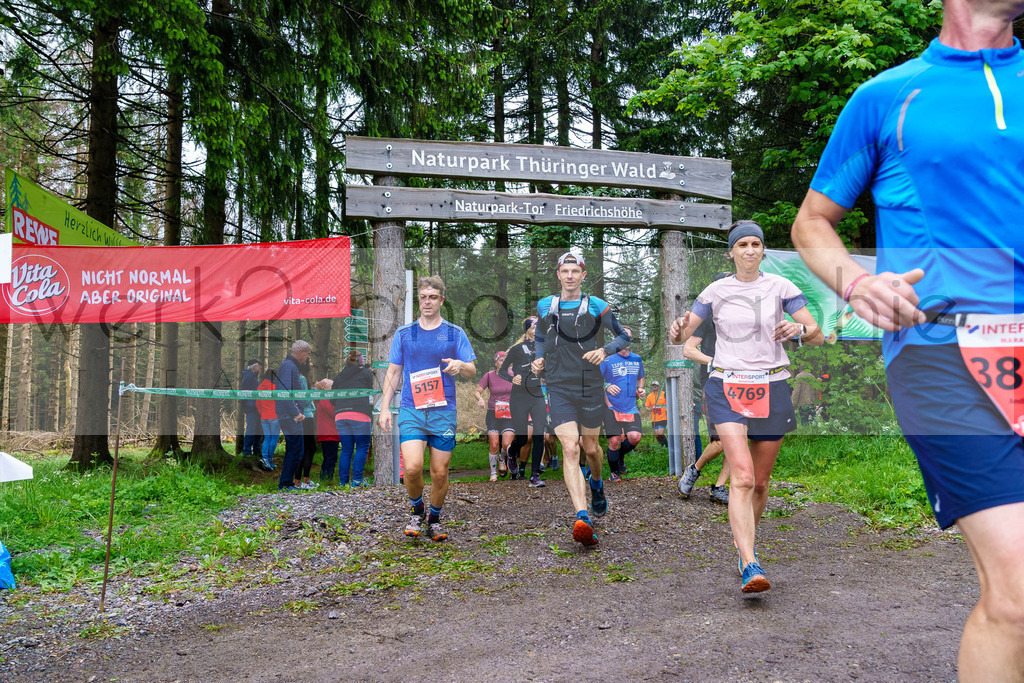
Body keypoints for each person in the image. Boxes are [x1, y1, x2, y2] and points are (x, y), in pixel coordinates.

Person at [791, 1, 1024, 673]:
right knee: (1016, 589)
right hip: (942, 353)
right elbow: (811, 222)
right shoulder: (886, 97)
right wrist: (858, 284)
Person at [671, 221, 823, 594]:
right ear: (731, 252)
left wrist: (799, 330)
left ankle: (744, 551)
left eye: (756, 243)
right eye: (743, 245)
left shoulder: (781, 287)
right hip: (726, 385)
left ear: (763, 250)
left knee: (760, 482)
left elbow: (817, 334)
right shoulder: (715, 291)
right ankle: (750, 560)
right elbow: (682, 334)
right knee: (741, 476)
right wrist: (677, 330)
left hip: (771, 384)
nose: (750, 250)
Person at [534, 251, 631, 547]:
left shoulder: (596, 305)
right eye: (565, 271)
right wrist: (539, 358)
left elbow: (624, 336)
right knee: (569, 447)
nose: (570, 276)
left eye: (575, 271)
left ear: (583, 275)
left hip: (589, 384)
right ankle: (582, 516)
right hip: (558, 385)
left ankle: (597, 484)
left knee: (591, 449)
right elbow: (541, 337)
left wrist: (604, 351)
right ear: (558, 274)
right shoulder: (546, 305)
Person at [379, 275, 476, 542]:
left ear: (442, 300)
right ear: (418, 300)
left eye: (433, 297)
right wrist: (384, 408)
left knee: (439, 472)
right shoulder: (404, 333)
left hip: (443, 411)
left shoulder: (454, 333)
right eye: (423, 297)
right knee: (411, 468)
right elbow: (393, 372)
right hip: (412, 409)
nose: (427, 302)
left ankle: (434, 518)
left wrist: (460, 365)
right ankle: (416, 510)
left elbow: (471, 370)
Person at [679, 272, 732, 506]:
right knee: (720, 441)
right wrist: (715, 362)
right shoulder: (707, 318)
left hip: (742, 384)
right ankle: (694, 470)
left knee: (738, 439)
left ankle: (719, 487)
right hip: (715, 383)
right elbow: (688, 349)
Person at [500, 316, 548, 487]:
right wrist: (512, 378)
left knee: (539, 435)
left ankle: (534, 476)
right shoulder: (516, 349)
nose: (536, 331)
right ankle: (512, 452)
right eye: (533, 327)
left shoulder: (544, 349)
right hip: (519, 397)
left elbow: (549, 372)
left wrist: (543, 371)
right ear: (526, 330)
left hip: (537, 395)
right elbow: (502, 371)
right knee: (522, 438)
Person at [600, 327, 645, 483]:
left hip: (630, 407)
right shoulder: (607, 360)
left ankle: (619, 456)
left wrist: (641, 388)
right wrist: (607, 386)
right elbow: (596, 380)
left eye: (629, 337)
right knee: (614, 441)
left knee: (635, 437)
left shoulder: (636, 359)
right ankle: (614, 472)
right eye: (623, 336)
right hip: (611, 406)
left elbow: (641, 377)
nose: (626, 339)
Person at [332, 350, 374, 487]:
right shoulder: (366, 373)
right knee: (362, 447)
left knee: (346, 449)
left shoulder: (339, 376)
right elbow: (371, 391)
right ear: (361, 360)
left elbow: (332, 398)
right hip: (360, 413)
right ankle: (356, 481)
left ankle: (343, 482)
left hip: (340, 415)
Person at [275, 341, 311, 492]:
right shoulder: (288, 366)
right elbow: (284, 392)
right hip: (290, 415)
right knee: (295, 449)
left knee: (296, 449)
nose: (308, 358)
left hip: (291, 414)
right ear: (301, 352)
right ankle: (285, 484)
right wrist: (296, 413)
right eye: (308, 354)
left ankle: (286, 483)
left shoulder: (290, 366)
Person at [476, 351, 516, 481]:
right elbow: (477, 391)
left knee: (507, 444)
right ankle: (493, 473)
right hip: (493, 413)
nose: (504, 363)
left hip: (509, 413)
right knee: (494, 444)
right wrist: (480, 399)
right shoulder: (489, 375)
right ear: (496, 362)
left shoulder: (514, 375)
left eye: (506, 360)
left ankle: (502, 458)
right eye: (501, 360)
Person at [294, 357, 318, 490]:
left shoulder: (300, 378)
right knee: (308, 449)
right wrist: (314, 390)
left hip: (303, 416)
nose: (311, 364)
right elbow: (304, 399)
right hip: (306, 416)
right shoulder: (302, 378)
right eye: (309, 362)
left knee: (307, 448)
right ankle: (302, 481)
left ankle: (301, 480)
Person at [315, 389, 340, 485]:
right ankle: (327, 478)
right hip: (330, 433)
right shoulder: (327, 398)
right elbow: (333, 412)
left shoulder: (323, 398)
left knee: (327, 457)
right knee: (331, 457)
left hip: (326, 432)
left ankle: (324, 477)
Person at [256, 369, 279, 471]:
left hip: (264, 417)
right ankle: (268, 459)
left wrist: (261, 412)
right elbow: (280, 402)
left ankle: (266, 459)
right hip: (274, 416)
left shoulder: (260, 387)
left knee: (267, 438)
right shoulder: (275, 387)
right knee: (274, 439)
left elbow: (257, 402)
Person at [240, 360, 262, 459]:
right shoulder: (249, 377)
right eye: (259, 365)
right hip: (251, 407)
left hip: (256, 407)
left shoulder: (253, 377)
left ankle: (256, 450)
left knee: (258, 430)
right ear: (254, 367)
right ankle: (247, 452)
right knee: (251, 429)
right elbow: (244, 393)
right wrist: (245, 406)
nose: (260, 367)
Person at [645, 380, 668, 446]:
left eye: (656, 385)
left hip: (663, 417)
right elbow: (646, 406)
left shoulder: (664, 394)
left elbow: (669, 402)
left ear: (658, 386)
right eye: (653, 385)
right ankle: (662, 446)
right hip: (654, 418)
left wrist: (667, 409)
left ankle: (666, 446)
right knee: (657, 435)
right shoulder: (649, 396)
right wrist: (649, 409)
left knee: (660, 433)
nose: (654, 387)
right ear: (651, 387)